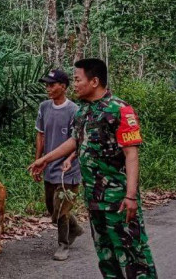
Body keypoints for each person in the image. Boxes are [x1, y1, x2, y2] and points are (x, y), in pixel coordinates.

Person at [27, 59, 158, 279]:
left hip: (118, 199)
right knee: (106, 254)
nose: (75, 84)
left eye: (78, 80)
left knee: (133, 253)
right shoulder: (83, 111)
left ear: (94, 81)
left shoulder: (120, 110)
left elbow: (131, 154)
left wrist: (130, 196)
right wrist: (45, 159)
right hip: (94, 198)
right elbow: (75, 141)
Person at [32, 68, 84, 261]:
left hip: (68, 169)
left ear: (63, 86)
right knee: (51, 208)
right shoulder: (44, 107)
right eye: (46, 85)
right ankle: (75, 228)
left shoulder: (75, 111)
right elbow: (41, 135)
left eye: (52, 85)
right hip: (49, 166)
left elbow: (78, 141)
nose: (48, 88)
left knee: (60, 209)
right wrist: (38, 161)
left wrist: (70, 159)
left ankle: (63, 244)